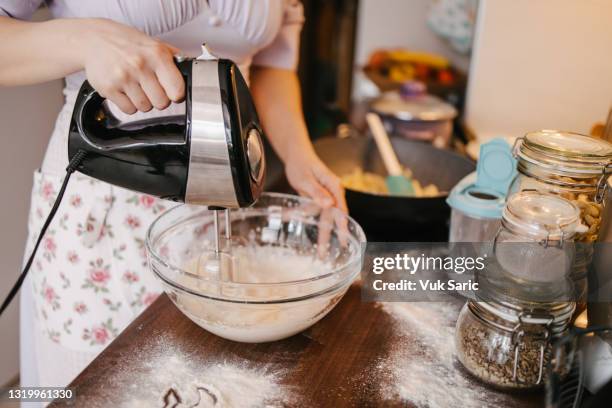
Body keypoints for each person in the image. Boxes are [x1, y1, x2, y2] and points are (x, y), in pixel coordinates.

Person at [0, 0, 347, 392]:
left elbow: (272, 65)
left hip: (217, 212)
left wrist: (300, 156)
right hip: (103, 220)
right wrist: (84, 40)